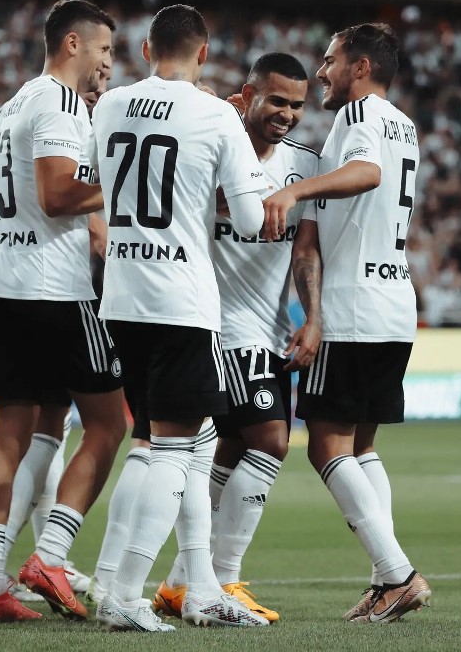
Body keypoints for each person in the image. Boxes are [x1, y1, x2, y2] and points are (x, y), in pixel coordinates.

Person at [89, 3, 270, 631]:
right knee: (172, 448)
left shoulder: (109, 105)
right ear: (204, 53)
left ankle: (198, 589)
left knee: (185, 441)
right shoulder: (217, 114)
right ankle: (126, 594)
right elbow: (250, 220)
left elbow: (102, 182)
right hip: (181, 301)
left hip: (122, 296)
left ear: (145, 50)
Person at [0, 0, 126, 623]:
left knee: (18, 433)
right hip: (55, 294)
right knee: (109, 424)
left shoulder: (12, 105)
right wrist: (123, 186)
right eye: (104, 48)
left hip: (4, 290)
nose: (109, 61)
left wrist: (11, 232)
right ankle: (51, 555)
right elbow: (56, 196)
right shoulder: (58, 103)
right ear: (73, 43)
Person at [262, 22, 431, 623]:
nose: (321, 72)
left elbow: (367, 174)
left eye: (330, 60)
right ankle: (384, 580)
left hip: (354, 305)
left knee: (326, 445)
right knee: (361, 447)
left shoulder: (358, 116)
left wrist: (294, 191)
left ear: (360, 67)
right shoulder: (403, 124)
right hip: (393, 304)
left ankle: (398, 575)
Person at [152, 52, 322, 623]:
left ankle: (180, 583)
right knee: (272, 442)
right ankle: (223, 579)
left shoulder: (304, 166)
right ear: (247, 95)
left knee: (229, 449)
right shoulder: (211, 145)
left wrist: (312, 316)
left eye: (296, 105)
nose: (287, 114)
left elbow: (304, 250)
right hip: (221, 324)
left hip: (270, 329)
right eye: (276, 100)